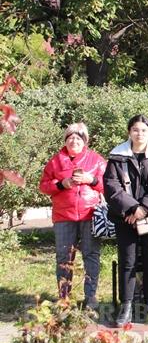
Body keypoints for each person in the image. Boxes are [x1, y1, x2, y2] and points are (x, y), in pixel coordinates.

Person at [104, 114, 148, 327]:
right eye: (135, 129)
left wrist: (144, 208)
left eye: (143, 130)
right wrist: (132, 208)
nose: (139, 133)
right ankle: (126, 306)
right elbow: (111, 186)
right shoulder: (117, 156)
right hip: (124, 217)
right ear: (129, 132)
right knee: (127, 261)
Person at [39, 123, 107, 308]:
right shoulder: (55, 161)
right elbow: (43, 186)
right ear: (65, 140)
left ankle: (91, 297)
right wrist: (61, 184)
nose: (74, 141)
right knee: (63, 257)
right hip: (63, 216)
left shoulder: (96, 160)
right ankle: (64, 297)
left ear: (84, 141)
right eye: (70, 138)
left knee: (91, 255)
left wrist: (90, 180)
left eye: (78, 138)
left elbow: (108, 184)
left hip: (89, 214)